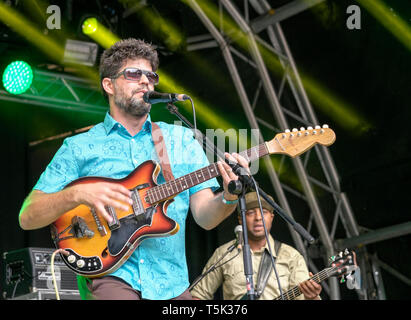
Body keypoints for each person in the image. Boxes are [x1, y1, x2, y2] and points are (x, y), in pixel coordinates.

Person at [18, 38, 249, 300]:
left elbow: (206, 217)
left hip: (171, 283)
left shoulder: (180, 140)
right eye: (133, 74)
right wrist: (78, 194)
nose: (145, 81)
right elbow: (28, 217)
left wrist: (230, 197)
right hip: (110, 277)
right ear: (109, 85)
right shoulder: (79, 147)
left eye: (151, 76)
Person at [190, 191, 322, 300]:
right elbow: (198, 295)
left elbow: (305, 295)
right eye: (251, 212)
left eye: (264, 211)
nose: (258, 218)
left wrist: (312, 297)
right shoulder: (224, 253)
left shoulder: (291, 256)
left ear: (271, 217)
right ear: (241, 219)